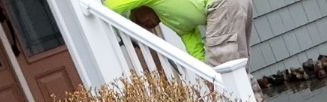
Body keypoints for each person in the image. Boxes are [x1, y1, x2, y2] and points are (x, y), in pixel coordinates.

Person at [106, 0, 252, 65]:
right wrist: (203, 69)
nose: (146, 26)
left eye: (138, 20)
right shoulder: (173, 20)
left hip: (222, 5)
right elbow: (195, 48)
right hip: (237, 7)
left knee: (222, 70)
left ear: (138, 6)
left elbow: (109, 6)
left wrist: (117, 31)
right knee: (239, 67)